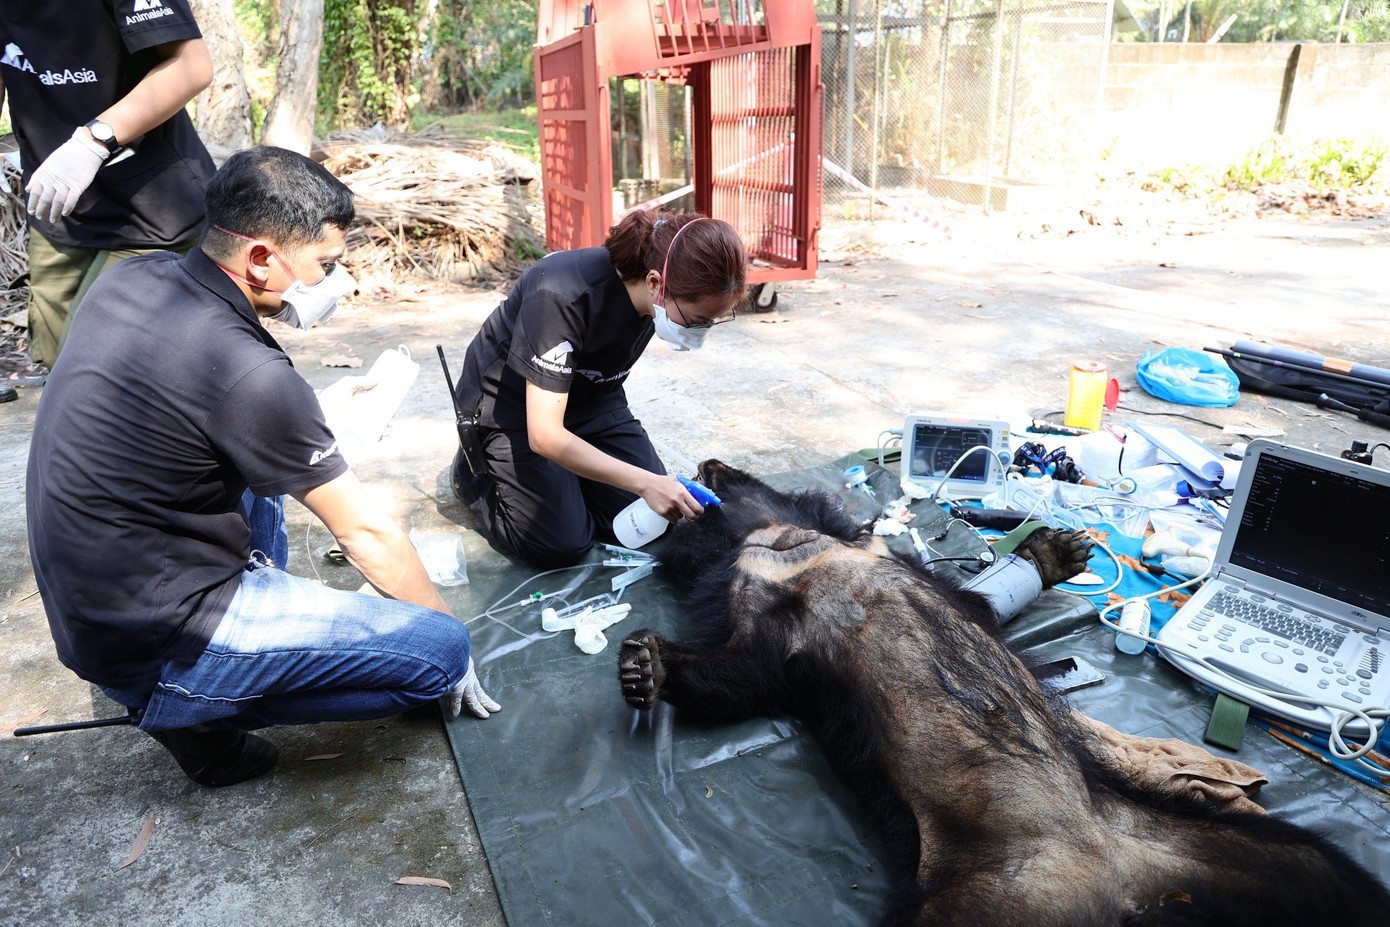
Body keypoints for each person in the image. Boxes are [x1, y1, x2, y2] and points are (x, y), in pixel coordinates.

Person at [26, 147, 498, 789]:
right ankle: (190, 713)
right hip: (160, 637)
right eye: (325, 266)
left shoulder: (135, 277)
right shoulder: (253, 378)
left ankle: (223, 664)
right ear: (259, 258)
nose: (340, 283)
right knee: (440, 654)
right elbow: (366, 536)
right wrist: (450, 633)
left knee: (272, 474)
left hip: (95, 610)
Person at [449, 210, 748, 569]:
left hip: (591, 395)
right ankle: (475, 475)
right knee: (563, 545)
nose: (699, 333)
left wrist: (645, 487)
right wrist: (646, 482)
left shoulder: (662, 275)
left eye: (711, 322)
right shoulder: (560, 295)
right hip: (514, 410)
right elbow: (544, 435)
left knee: (649, 521)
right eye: (697, 322)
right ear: (655, 284)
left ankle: (569, 478)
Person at [0, 0, 216, 367]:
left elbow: (191, 67)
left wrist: (92, 142)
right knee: (59, 362)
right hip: (57, 208)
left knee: (99, 367)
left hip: (151, 207)